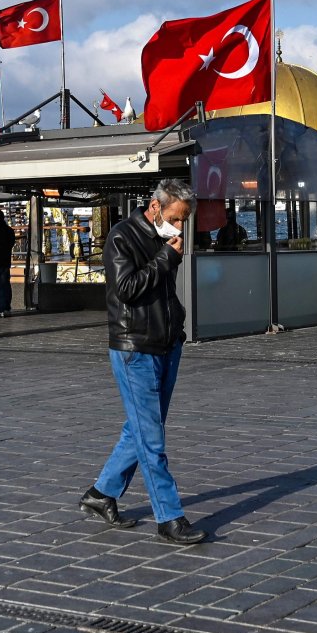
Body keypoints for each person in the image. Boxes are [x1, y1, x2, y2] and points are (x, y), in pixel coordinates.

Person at [80, 178, 206, 546]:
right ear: (155, 207)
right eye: (176, 217)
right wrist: (167, 257)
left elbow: (162, 293)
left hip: (167, 343)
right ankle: (169, 518)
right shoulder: (122, 236)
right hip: (135, 347)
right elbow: (128, 289)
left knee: (142, 428)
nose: (180, 226)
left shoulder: (163, 239)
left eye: (184, 220)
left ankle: (101, 494)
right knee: (151, 438)